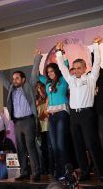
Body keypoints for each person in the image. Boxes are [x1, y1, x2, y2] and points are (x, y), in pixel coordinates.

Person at [56, 37, 103, 181]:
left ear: (85, 68)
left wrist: (96, 46)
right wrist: (59, 52)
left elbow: (97, 63)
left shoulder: (91, 78)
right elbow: (62, 68)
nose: (77, 70)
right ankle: (84, 172)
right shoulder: (71, 80)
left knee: (91, 144)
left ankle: (100, 171)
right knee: (78, 145)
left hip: (87, 115)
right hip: (74, 116)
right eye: (75, 68)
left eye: (80, 68)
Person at [0, 57, 40, 182]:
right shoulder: (12, 89)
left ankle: (36, 173)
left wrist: (37, 59)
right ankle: (24, 172)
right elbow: (2, 79)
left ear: (23, 79)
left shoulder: (28, 86)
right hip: (17, 122)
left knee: (30, 146)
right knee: (20, 148)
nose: (14, 80)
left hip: (28, 121)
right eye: (13, 78)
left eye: (17, 78)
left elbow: (34, 73)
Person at [35, 49, 72, 179]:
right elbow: (35, 74)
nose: (50, 73)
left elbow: (66, 66)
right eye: (48, 71)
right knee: (54, 146)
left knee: (61, 144)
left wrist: (62, 53)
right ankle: (59, 171)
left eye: (52, 71)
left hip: (62, 114)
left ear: (56, 70)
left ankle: (66, 171)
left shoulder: (63, 80)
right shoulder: (47, 83)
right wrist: (37, 57)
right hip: (51, 116)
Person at [35, 82, 54, 175]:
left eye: (41, 87)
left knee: (50, 148)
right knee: (43, 149)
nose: (39, 89)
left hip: (49, 126)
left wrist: (43, 114)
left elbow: (46, 114)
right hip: (41, 128)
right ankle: (44, 169)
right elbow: (37, 115)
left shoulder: (49, 97)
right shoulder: (37, 100)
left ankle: (52, 169)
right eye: (38, 88)